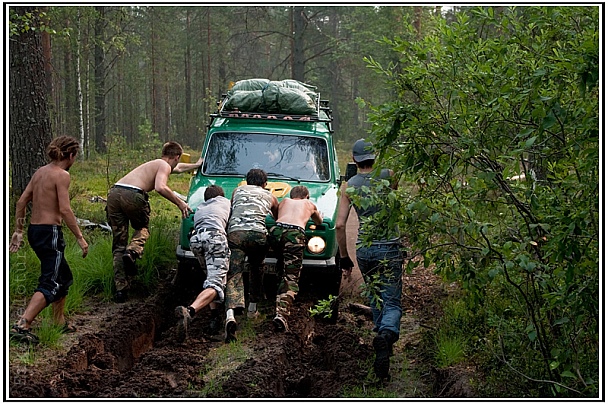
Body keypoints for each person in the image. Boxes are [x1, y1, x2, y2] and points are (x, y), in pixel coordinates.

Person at [9, 136, 89, 345]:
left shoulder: (40, 172)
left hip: (35, 231)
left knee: (63, 276)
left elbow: (21, 201)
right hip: (50, 232)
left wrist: (18, 230)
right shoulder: (62, 175)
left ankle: (58, 321)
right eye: (75, 156)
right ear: (70, 155)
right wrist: (80, 237)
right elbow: (65, 209)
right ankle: (22, 324)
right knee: (51, 280)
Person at [336, 138, 403, 379]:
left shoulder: (348, 186)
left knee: (376, 299)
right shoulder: (389, 175)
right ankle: (385, 337)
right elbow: (394, 201)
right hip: (389, 247)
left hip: (365, 251)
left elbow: (340, 225)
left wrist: (345, 258)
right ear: (376, 157)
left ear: (354, 160)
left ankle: (382, 350)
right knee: (392, 301)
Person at [106, 142, 202, 302]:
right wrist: (180, 203)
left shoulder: (157, 164)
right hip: (132, 195)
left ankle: (120, 290)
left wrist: (196, 165)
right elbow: (160, 187)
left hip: (114, 193)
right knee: (142, 229)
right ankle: (132, 252)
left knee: (118, 245)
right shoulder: (163, 165)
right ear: (177, 157)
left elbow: (177, 168)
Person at [224, 168, 279, 343]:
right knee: (256, 267)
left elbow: (232, 208)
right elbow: (277, 218)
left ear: (246, 181)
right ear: (265, 184)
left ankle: (231, 314)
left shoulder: (237, 191)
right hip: (258, 235)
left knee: (234, 273)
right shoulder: (270, 196)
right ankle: (252, 309)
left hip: (236, 234)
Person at [174, 185, 231, 342]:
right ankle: (190, 311)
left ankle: (214, 319)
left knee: (210, 277)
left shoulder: (200, 207)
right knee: (215, 283)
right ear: (221, 195)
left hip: (197, 240)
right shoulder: (225, 202)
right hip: (215, 238)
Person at [268, 185, 323, 331]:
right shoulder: (309, 204)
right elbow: (319, 222)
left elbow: (275, 216)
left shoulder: (284, 201)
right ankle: (282, 314)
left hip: (277, 231)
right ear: (307, 196)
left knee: (281, 264)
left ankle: (269, 297)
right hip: (294, 234)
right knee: (291, 277)